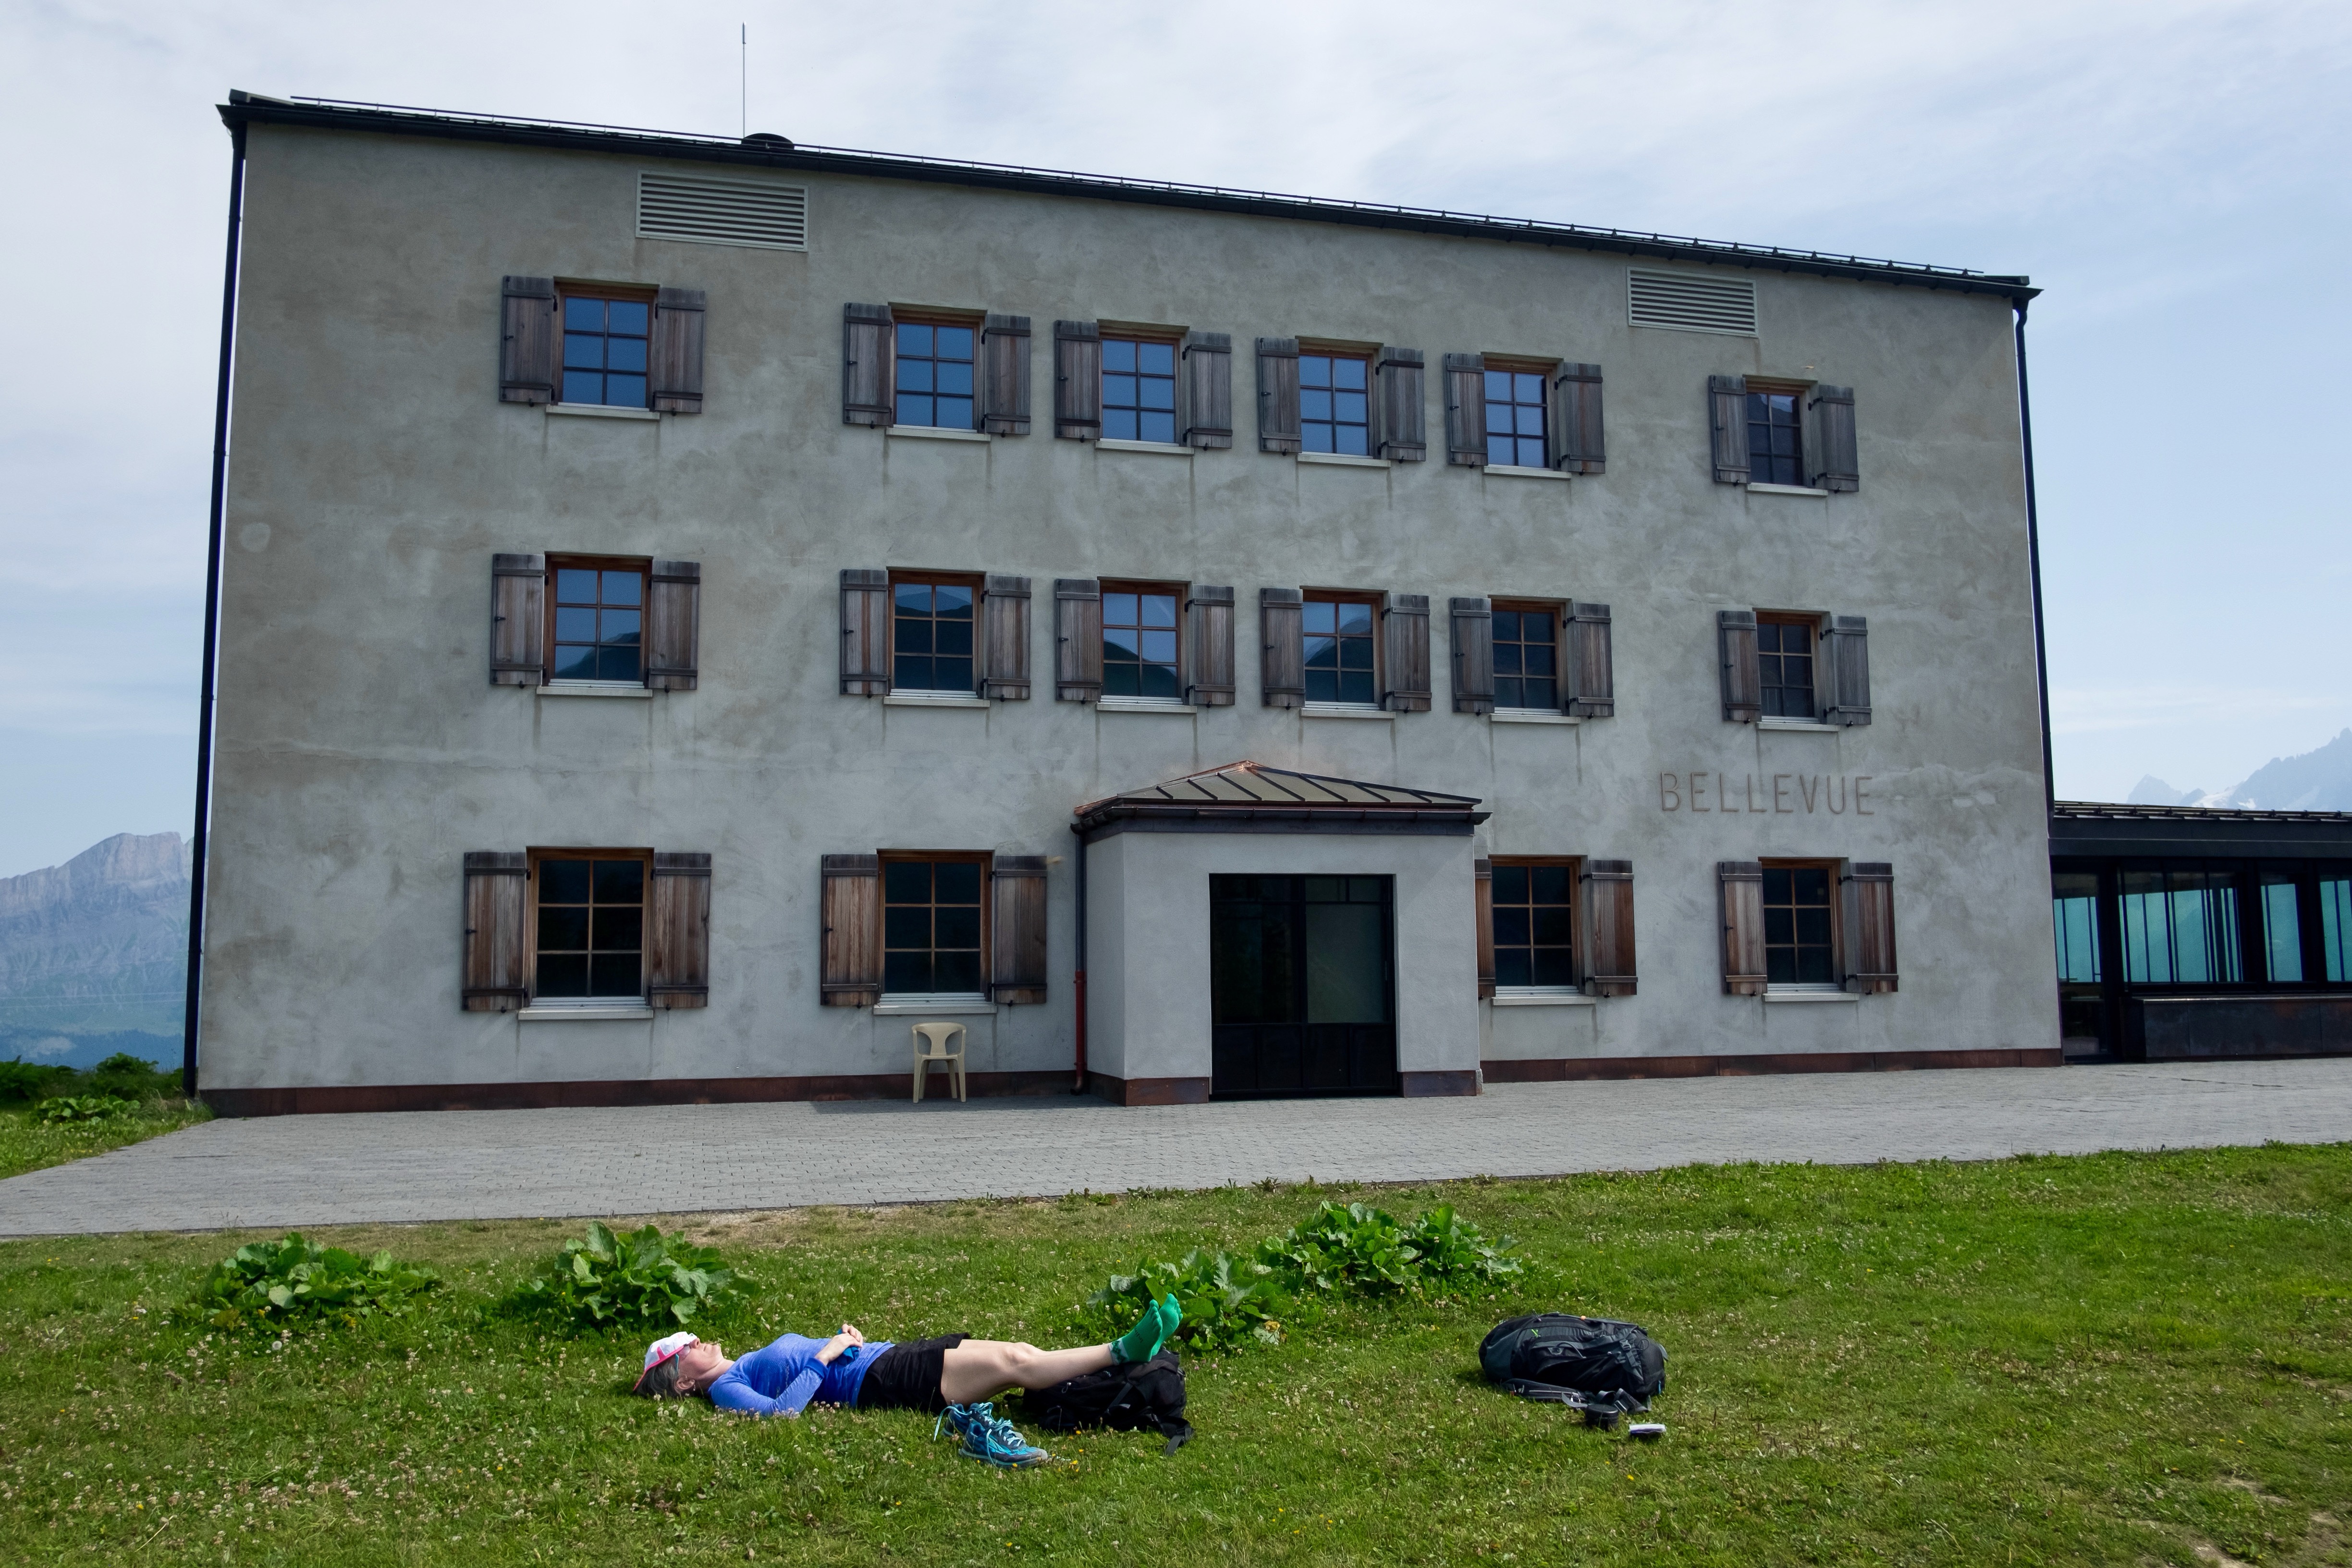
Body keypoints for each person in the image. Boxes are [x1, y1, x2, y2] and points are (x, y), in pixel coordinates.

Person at [631, 1292, 1182, 1468]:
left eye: (690, 1338)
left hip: (886, 1357)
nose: (695, 1342)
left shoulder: (743, 1361)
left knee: (1022, 1356)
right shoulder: (726, 1391)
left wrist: (842, 1340)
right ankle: (1124, 1351)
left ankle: (1122, 1357)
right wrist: (826, 1355)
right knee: (1017, 1362)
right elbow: (781, 1414)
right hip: (881, 1381)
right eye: (685, 1350)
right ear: (683, 1384)